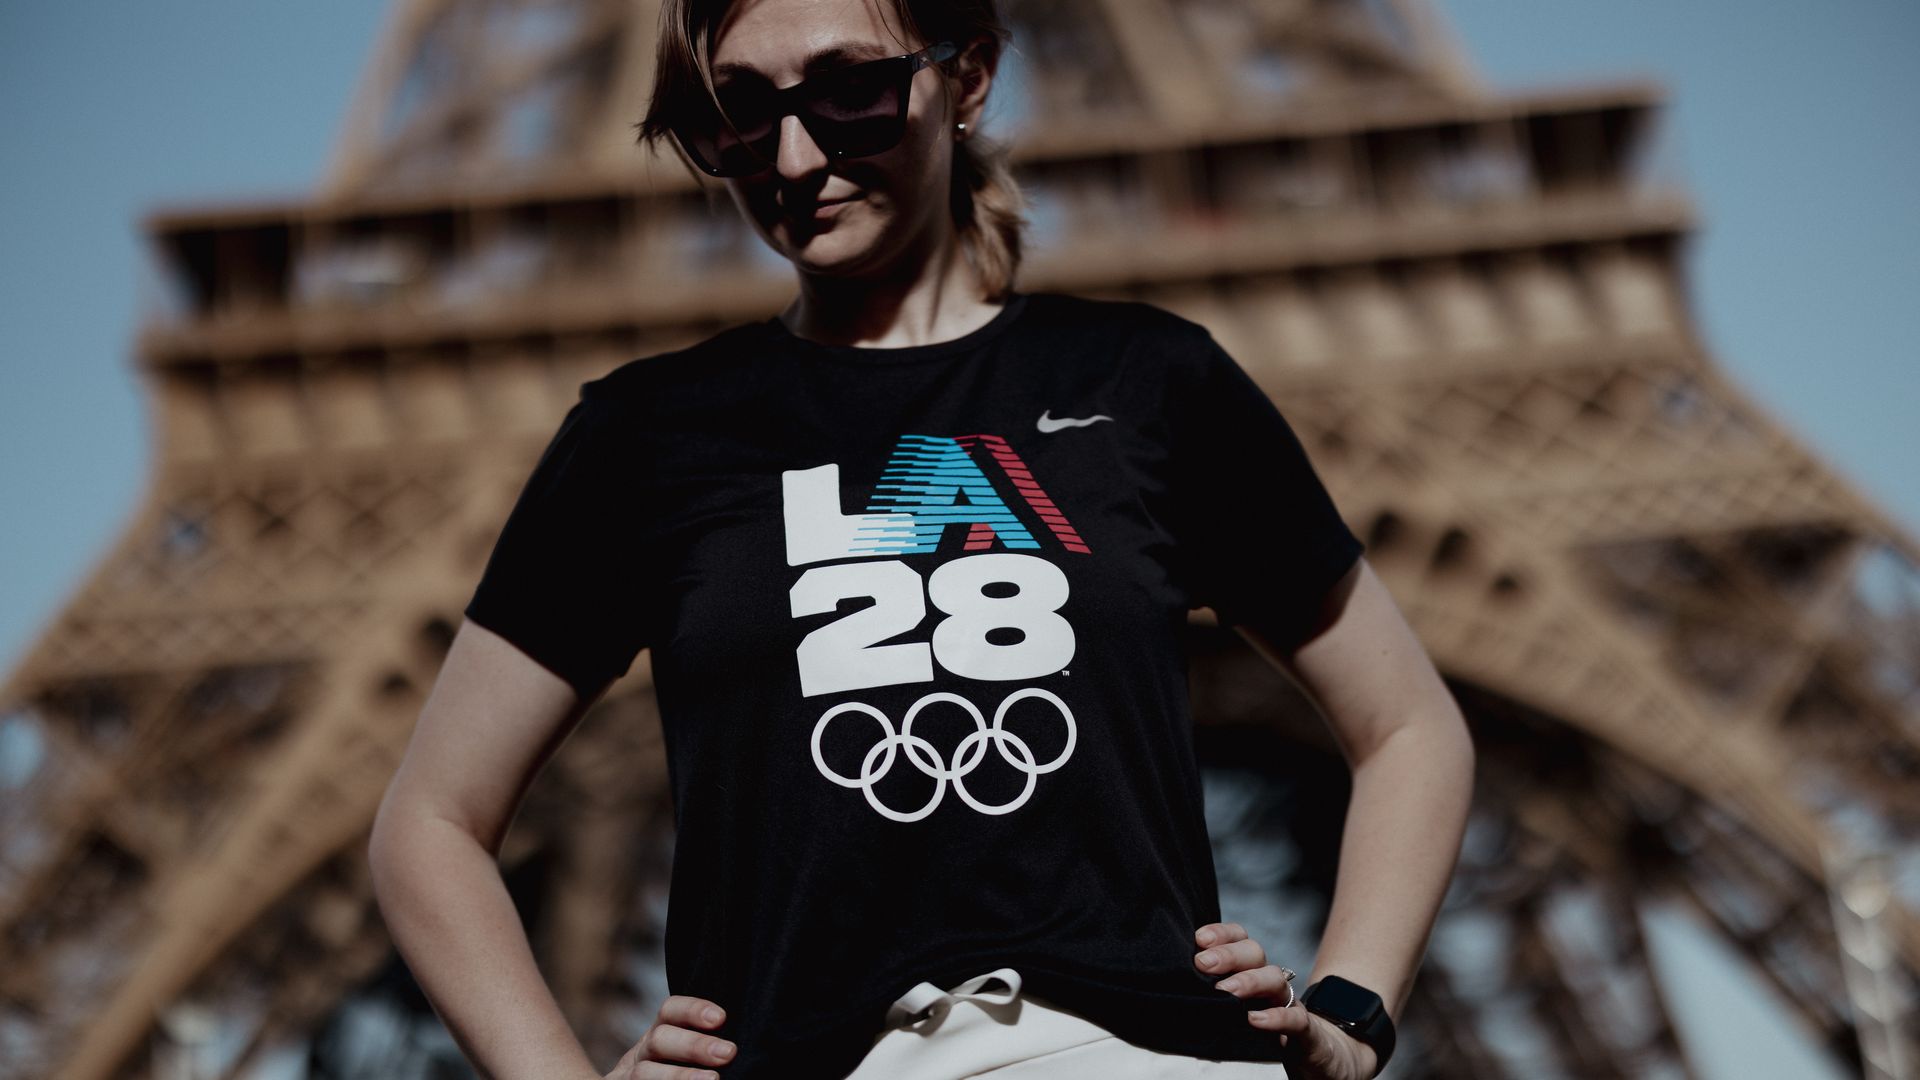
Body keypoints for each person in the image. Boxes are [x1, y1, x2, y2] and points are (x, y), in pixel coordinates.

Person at [367, 0, 1476, 1077]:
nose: (794, 158)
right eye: (737, 113)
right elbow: (430, 822)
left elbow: (1408, 726)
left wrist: (1351, 1014)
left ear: (968, 78)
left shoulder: (1146, 381)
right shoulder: (647, 436)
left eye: (850, 92)